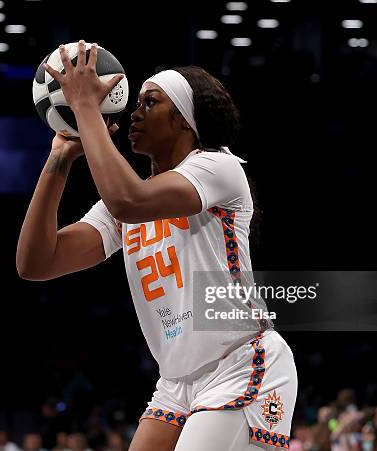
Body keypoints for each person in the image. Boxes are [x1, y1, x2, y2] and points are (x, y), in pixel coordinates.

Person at [17, 39, 297, 450]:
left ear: (185, 120)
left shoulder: (218, 167)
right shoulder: (126, 201)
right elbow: (37, 262)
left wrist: (86, 108)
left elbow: (129, 201)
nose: (135, 111)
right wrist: (59, 159)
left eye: (151, 102)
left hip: (242, 362)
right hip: (176, 381)